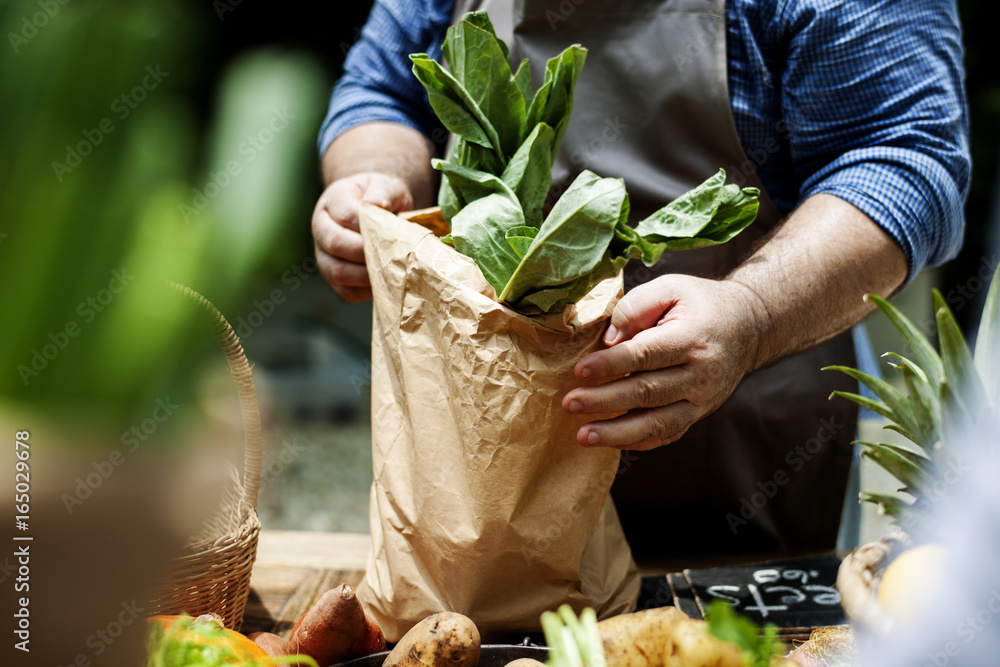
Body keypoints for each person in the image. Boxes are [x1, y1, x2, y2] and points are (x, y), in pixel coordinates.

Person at [312, 0, 970, 557]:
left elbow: (905, 157)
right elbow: (383, 90)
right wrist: (372, 176)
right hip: (477, 487)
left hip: (736, 481)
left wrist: (751, 312)